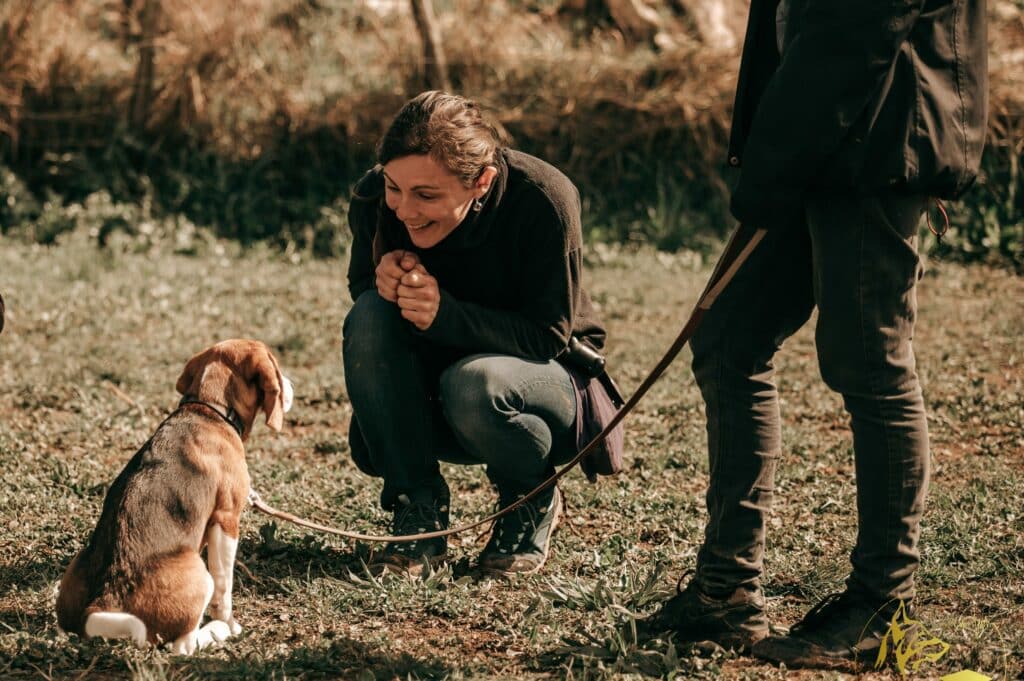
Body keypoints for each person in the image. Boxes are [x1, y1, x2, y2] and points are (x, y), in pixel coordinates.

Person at [643, 0, 988, 671]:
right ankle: (724, 588)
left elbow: (858, 26)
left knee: (869, 360)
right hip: (820, 144)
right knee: (728, 336)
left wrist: (773, 162)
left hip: (874, 139)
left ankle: (880, 607)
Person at [342, 91, 618, 577]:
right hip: (441, 382)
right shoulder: (374, 199)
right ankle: (417, 510)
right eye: (395, 188)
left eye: (427, 195)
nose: (405, 210)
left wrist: (445, 314)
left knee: (473, 384)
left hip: (547, 382)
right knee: (368, 314)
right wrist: (380, 279)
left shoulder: (543, 198)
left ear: (482, 182)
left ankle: (529, 496)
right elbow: (363, 291)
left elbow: (548, 334)